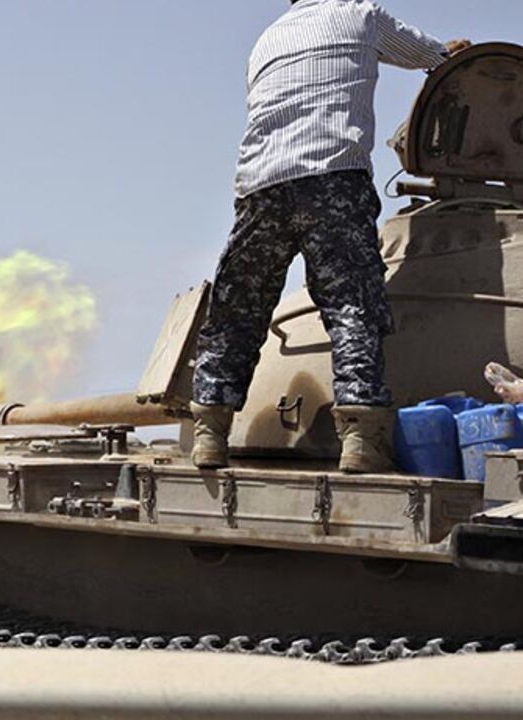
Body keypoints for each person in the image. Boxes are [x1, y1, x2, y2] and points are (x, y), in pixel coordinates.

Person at [190, 0, 471, 473]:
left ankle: (209, 435)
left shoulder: (267, 40)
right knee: (352, 306)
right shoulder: (360, 15)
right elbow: (435, 59)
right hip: (333, 174)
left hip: (261, 184)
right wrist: (449, 51)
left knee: (238, 311)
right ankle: (361, 439)